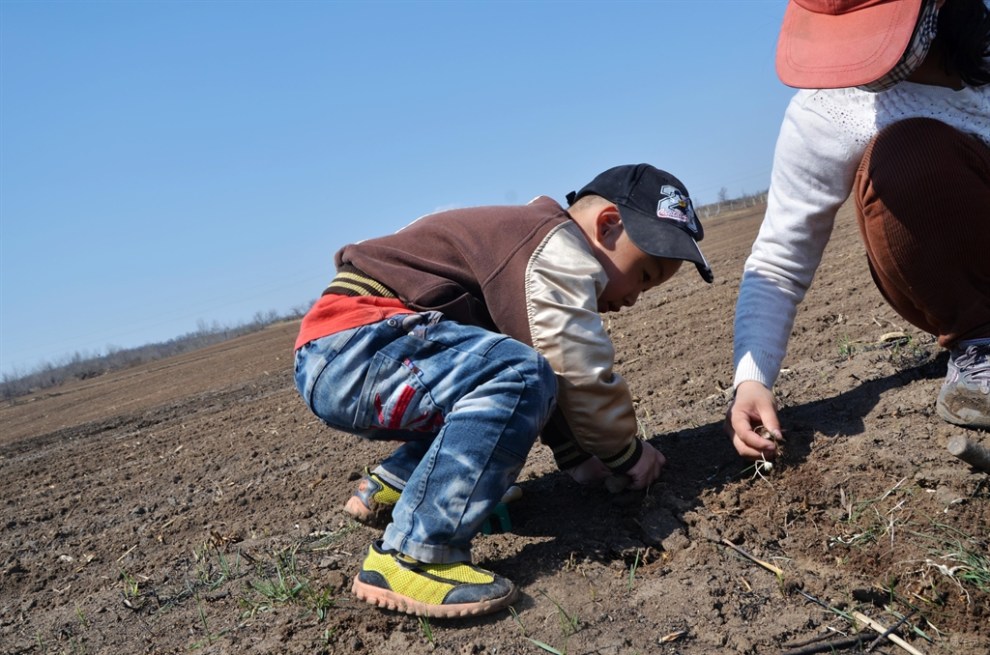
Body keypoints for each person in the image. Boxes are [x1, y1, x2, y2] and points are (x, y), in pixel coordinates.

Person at [293, 163, 713, 617]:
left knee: (505, 374)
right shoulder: (555, 246)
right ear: (608, 226)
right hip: (361, 347)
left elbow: (549, 370)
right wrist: (624, 453)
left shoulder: (528, 244)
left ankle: (398, 485)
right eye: (645, 275)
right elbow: (574, 368)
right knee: (515, 375)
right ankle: (414, 556)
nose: (634, 298)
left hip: (351, 350)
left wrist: (578, 456)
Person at [728, 0, 990, 461]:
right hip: (972, 272)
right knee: (907, 158)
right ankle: (982, 346)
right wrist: (753, 380)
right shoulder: (828, 109)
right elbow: (779, 259)